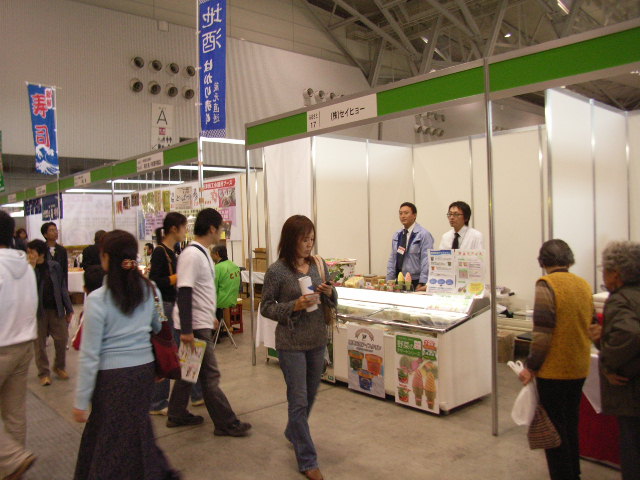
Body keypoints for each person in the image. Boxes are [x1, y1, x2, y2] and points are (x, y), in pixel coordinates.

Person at [72, 230, 179, 480]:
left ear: (107, 258)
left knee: (109, 441)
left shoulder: (97, 299)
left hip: (110, 379)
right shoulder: (151, 290)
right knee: (137, 432)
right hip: (143, 373)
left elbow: (90, 354)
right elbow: (159, 325)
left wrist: (80, 399)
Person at [261, 215, 337, 480]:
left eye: (312, 239)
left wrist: (329, 292)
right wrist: (294, 305)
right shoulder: (277, 271)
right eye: (304, 239)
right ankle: (307, 460)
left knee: (311, 395)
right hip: (291, 343)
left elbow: (333, 298)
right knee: (298, 400)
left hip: (317, 340)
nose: (309, 244)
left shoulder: (318, 264)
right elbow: (266, 307)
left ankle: (293, 431)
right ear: (291, 239)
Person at [167, 208, 251, 437]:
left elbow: (200, 291)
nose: (222, 232)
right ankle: (226, 423)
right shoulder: (192, 255)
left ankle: (176, 414)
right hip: (194, 327)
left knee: (189, 372)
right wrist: (187, 330)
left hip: (198, 322)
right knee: (210, 376)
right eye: (221, 228)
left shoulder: (201, 253)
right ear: (212, 228)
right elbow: (184, 291)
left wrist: (210, 316)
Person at [518, 239, 594, 480]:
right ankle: (574, 472)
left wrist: (531, 367)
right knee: (571, 422)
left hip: (554, 370)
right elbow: (592, 324)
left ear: (542, 261)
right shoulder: (583, 284)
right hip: (579, 365)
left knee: (553, 428)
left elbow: (542, 334)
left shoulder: (546, 285)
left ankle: (563, 475)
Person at [589, 241, 640, 480]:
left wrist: (608, 364)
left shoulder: (620, 299)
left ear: (616, 274)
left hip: (631, 391)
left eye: (605, 271)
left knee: (632, 450)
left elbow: (630, 333)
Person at [148, 212, 202, 416]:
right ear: (173, 228)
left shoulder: (173, 251)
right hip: (165, 307)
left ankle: (196, 393)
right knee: (166, 351)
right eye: (184, 227)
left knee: (188, 350)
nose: (186, 231)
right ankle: (158, 401)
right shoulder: (160, 252)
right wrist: (177, 277)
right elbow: (155, 281)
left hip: (176, 305)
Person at [0, 211, 38, 479]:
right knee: (14, 412)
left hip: (1, 345)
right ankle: (12, 472)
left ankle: (12, 458)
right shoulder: (25, 266)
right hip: (24, 344)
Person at [27, 239, 74, 386]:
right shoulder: (28, 270)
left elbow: (62, 287)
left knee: (62, 339)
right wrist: (32, 269)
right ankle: (44, 373)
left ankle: (59, 366)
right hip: (38, 312)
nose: (29, 255)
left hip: (56, 309)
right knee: (39, 344)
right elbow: (28, 289)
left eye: (32, 252)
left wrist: (69, 308)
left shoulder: (54, 267)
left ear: (41, 253)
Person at [386, 202, 434, 290]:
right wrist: (389, 280)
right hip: (399, 280)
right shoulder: (397, 235)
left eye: (406, 213)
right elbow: (392, 258)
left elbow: (426, 260)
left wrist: (422, 282)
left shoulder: (423, 234)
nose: (403, 216)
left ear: (414, 215)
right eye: (400, 213)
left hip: (416, 280)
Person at [211, 244, 241, 336]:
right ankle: (226, 327)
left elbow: (213, 287)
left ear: (217, 254)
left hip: (221, 300)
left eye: (211, 254)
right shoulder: (234, 265)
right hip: (232, 297)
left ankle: (213, 331)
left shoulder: (218, 268)